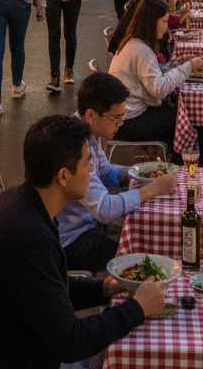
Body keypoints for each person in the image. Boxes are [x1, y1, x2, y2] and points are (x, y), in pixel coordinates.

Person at [0, 114, 163, 369]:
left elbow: (49, 293)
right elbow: (71, 342)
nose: (92, 171)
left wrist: (103, 288)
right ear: (63, 176)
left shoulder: (20, 201)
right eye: (88, 162)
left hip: (9, 344)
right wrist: (137, 308)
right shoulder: (29, 239)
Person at [58, 73, 178, 271]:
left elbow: (103, 171)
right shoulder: (75, 144)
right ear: (90, 115)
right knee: (141, 258)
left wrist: (140, 174)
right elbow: (104, 209)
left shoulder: (88, 131)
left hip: (89, 224)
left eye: (122, 117)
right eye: (115, 119)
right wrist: (152, 190)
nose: (120, 124)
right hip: (71, 240)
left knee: (147, 240)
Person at [109, 0, 203, 153]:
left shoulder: (134, 43)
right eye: (163, 22)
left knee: (182, 114)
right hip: (128, 121)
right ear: (151, 22)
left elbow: (152, 76)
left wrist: (176, 65)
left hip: (126, 115)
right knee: (190, 121)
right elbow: (159, 89)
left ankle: (178, 163)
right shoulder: (140, 50)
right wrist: (188, 67)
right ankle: (187, 168)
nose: (166, 27)